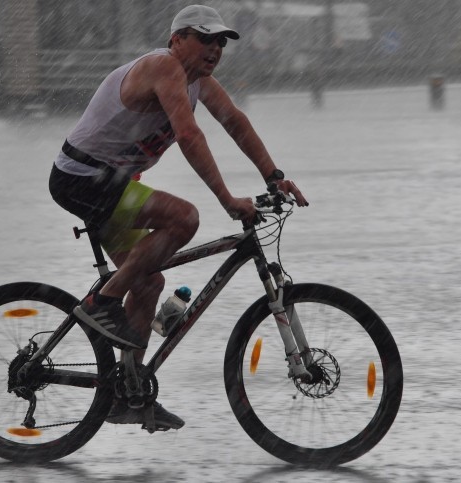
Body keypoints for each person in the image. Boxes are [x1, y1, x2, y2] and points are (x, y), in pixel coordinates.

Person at [49, 4, 308, 430]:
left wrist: (274, 177)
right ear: (176, 40)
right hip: (81, 177)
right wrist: (225, 198)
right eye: (205, 38)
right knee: (184, 218)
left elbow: (236, 123)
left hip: (108, 184)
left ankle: (127, 395)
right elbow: (189, 134)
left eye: (221, 41)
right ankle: (102, 303)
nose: (215, 48)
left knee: (149, 280)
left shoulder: (198, 81)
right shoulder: (163, 67)